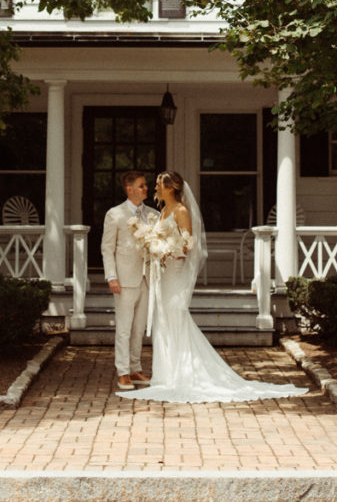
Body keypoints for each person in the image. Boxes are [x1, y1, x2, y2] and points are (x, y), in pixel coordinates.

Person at [119, 170, 309, 403]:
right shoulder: (163, 212)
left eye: (158, 184)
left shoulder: (180, 211)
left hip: (174, 273)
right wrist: (155, 249)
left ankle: (184, 373)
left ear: (170, 188)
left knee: (175, 317)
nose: (155, 188)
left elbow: (188, 244)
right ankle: (166, 375)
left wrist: (169, 251)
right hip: (163, 274)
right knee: (163, 320)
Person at [101, 170, 158, 391]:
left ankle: (135, 368)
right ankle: (122, 371)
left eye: (145, 185)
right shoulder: (114, 214)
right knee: (124, 328)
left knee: (139, 328)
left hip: (147, 278)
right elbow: (107, 248)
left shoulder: (152, 214)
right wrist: (111, 276)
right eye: (142, 185)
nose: (146, 188)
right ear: (130, 189)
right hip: (124, 278)